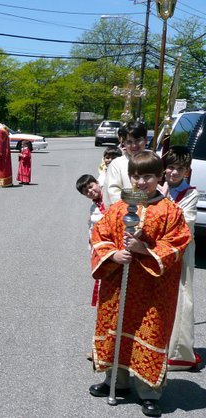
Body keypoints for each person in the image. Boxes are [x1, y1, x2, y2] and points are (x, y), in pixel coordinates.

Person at [89, 151, 191, 417]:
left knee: (149, 332)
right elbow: (100, 234)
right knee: (117, 327)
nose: (141, 181)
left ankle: (148, 392)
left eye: (147, 176)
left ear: (159, 177)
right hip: (120, 284)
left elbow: (178, 244)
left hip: (152, 290)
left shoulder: (170, 211)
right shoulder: (121, 206)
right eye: (136, 176)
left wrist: (143, 249)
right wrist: (114, 253)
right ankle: (117, 382)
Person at [159, 146, 201, 371]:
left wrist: (162, 201)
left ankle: (177, 350)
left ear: (187, 171)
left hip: (180, 252)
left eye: (179, 169)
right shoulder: (156, 186)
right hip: (156, 250)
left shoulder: (191, 193)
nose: (174, 173)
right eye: (170, 167)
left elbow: (185, 223)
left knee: (180, 294)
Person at [76, 174, 106, 308]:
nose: (90, 191)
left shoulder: (111, 196)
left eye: (91, 186)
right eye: (86, 192)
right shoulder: (93, 208)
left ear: (97, 183)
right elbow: (92, 230)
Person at [103, 122, 146, 207]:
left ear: (145, 140)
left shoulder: (154, 159)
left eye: (138, 140)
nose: (134, 145)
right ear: (124, 143)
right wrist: (142, 199)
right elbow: (113, 193)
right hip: (126, 214)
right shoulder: (117, 164)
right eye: (129, 142)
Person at [0, 121, 12, 187]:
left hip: (2, 151)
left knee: (0, 167)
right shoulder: (5, 128)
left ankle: (0, 182)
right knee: (6, 166)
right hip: (6, 151)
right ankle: (7, 182)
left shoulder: (0, 131)